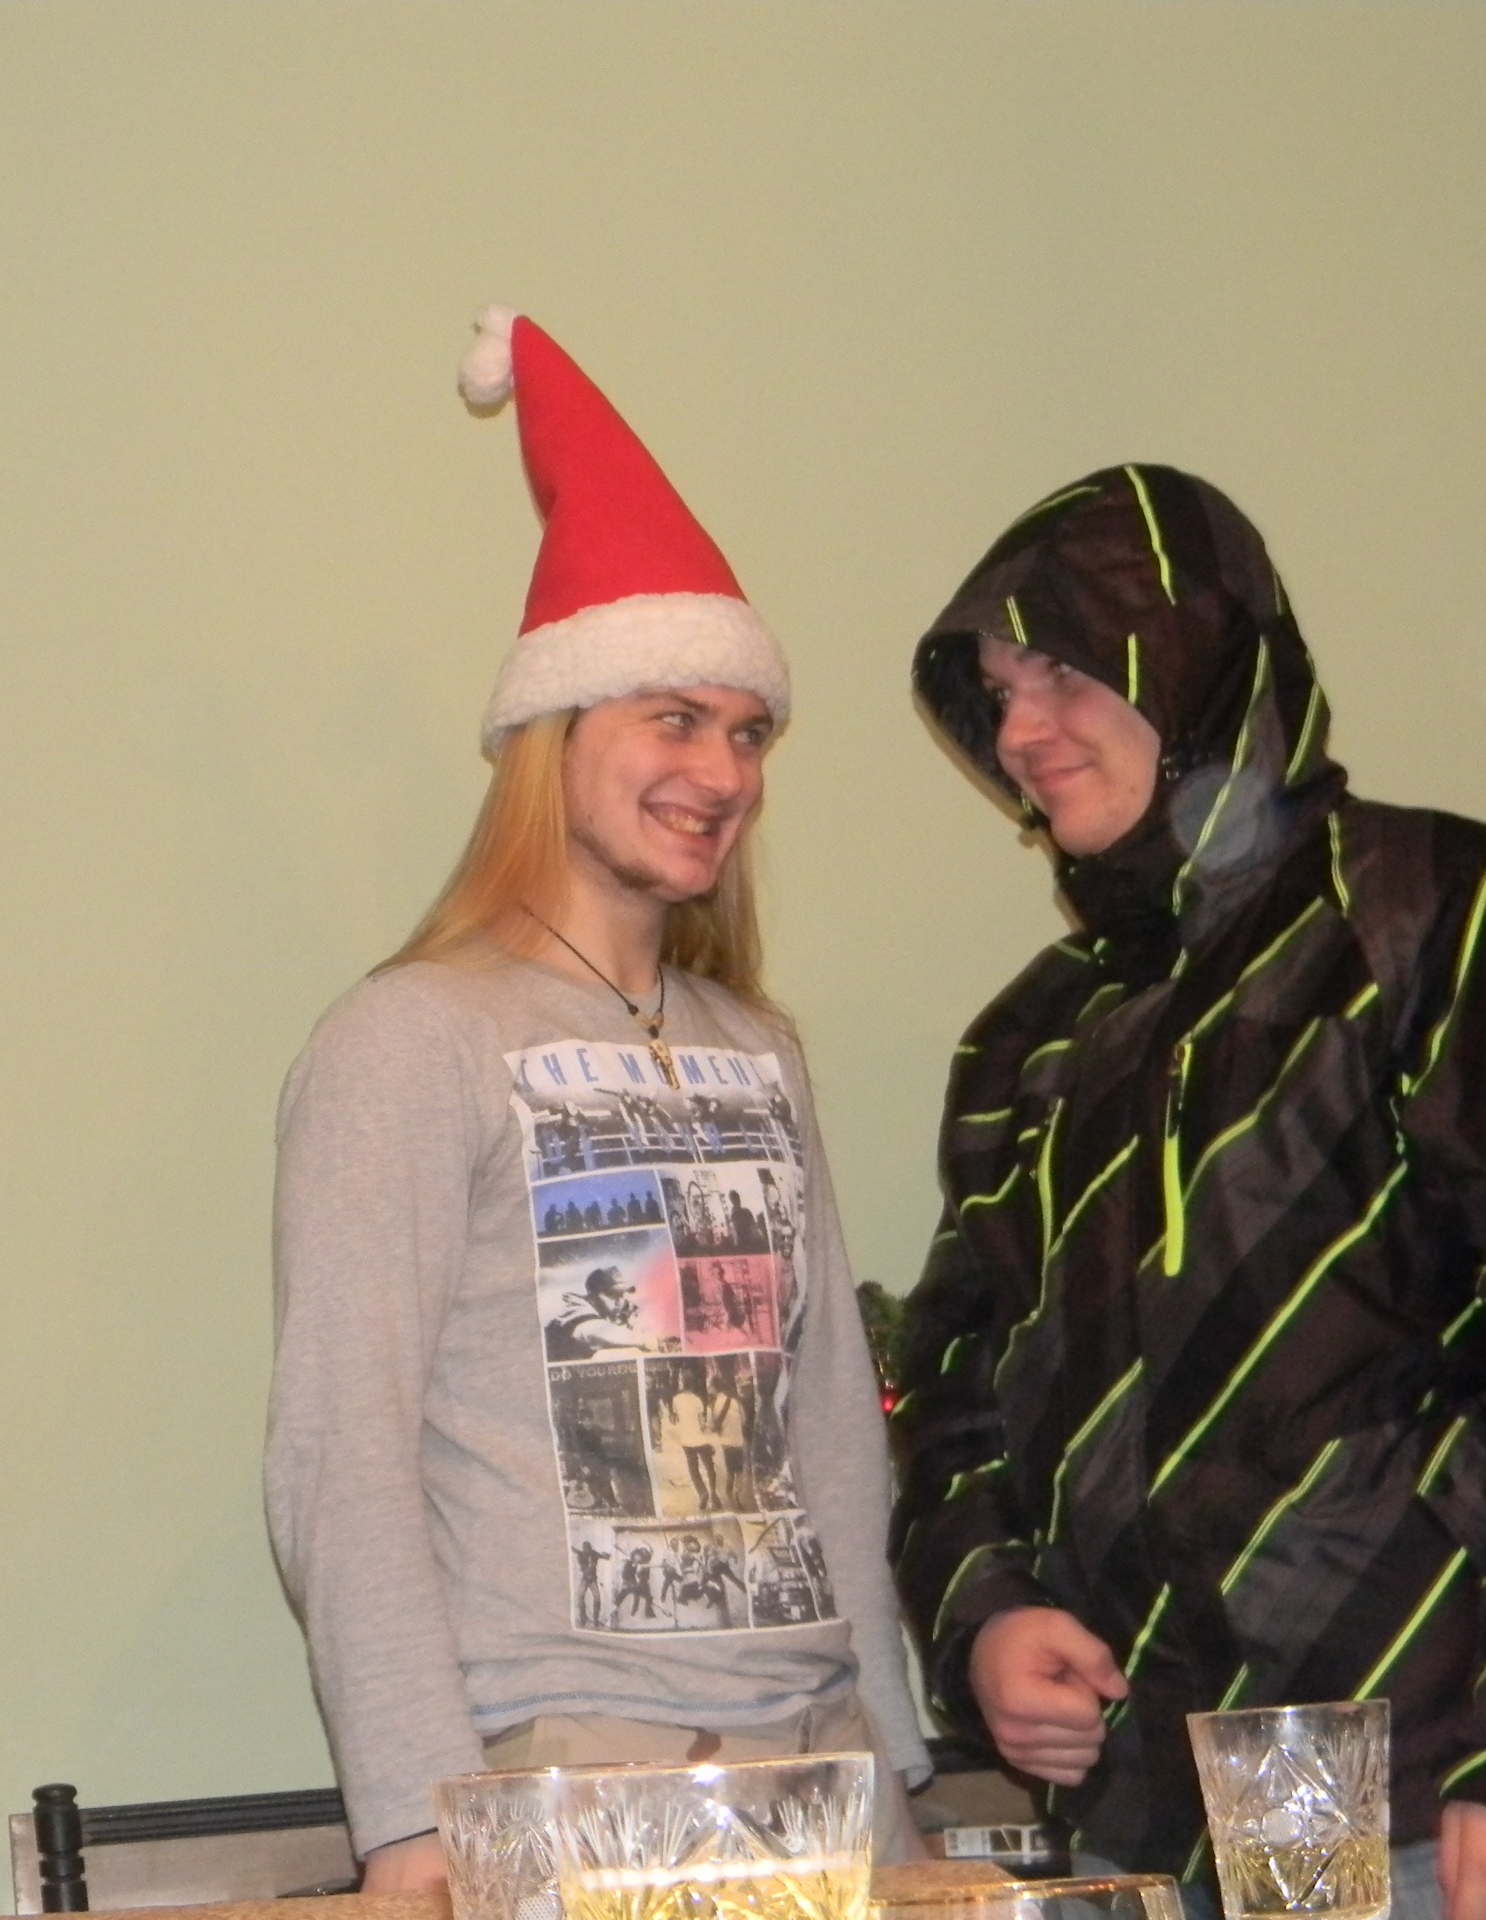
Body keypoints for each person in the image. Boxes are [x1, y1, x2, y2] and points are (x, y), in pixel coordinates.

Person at [887, 466, 1486, 1920]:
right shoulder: (1032, 1041)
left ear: (1193, 661)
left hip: (1446, 1819)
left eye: (1062, 669)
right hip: (1142, 1834)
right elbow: (949, 1391)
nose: (1018, 731)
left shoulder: (1456, 920)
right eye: (996, 693)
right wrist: (987, 1613)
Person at [265, 307, 929, 1892]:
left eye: (748, 731)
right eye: (674, 719)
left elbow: (830, 1428)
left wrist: (899, 1766)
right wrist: (411, 1822)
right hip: (569, 1787)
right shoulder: (409, 1040)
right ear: (553, 737)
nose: (726, 770)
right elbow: (340, 1454)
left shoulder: (759, 1050)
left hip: (821, 1774)